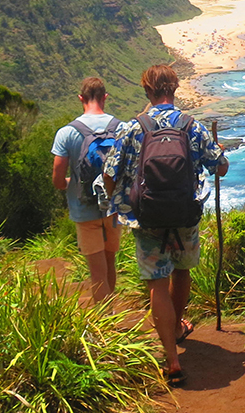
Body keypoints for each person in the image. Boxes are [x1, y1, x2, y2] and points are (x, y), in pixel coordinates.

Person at [102, 64, 228, 387]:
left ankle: (171, 359)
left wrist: (116, 199)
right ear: (174, 89)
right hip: (185, 215)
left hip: (146, 218)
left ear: (147, 91)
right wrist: (219, 153)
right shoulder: (190, 125)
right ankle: (176, 327)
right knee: (181, 271)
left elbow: (109, 174)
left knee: (157, 282)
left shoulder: (134, 128)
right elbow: (221, 167)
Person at [50, 76, 123, 304]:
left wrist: (71, 183)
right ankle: (111, 314)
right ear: (105, 97)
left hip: (83, 209)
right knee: (110, 262)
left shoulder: (67, 133)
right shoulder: (120, 127)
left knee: (96, 270)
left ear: (81, 98)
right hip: (113, 207)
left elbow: (58, 178)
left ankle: (105, 320)